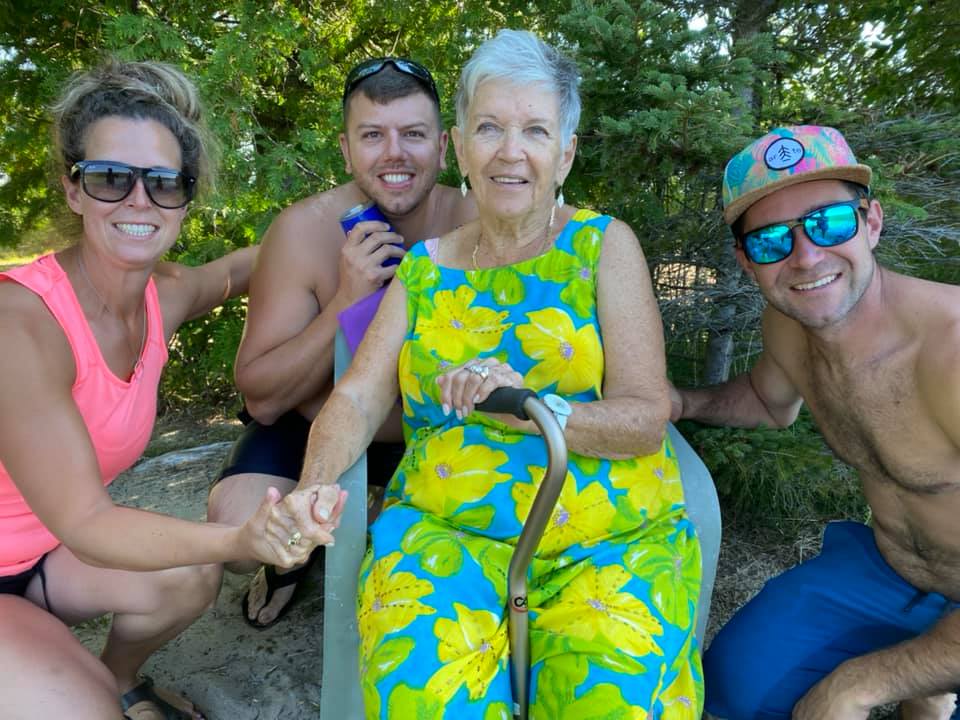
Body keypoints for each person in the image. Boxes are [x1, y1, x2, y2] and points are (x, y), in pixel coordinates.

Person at [280, 29, 703, 719]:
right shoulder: (423, 268)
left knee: (614, 702)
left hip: (606, 541)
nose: (511, 151)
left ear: (564, 153)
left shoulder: (603, 246)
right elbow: (357, 398)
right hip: (443, 535)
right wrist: (311, 489)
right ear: (461, 146)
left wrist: (531, 407)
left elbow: (645, 417)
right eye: (490, 128)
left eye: (535, 130)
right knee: (427, 694)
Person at [0, 59, 342, 720]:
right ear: (74, 190)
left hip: (45, 557)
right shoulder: (22, 327)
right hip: (60, 544)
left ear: (187, 196)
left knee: (187, 578)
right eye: (109, 179)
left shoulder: (163, 294)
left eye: (163, 184)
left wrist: (342, 232)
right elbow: (91, 524)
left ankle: (121, 677)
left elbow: (246, 267)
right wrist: (243, 540)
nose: (138, 202)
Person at [672, 125, 960, 720]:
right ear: (746, 261)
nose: (805, 257)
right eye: (772, 240)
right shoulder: (791, 326)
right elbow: (767, 400)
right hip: (891, 570)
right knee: (728, 691)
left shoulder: (950, 353)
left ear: (872, 222)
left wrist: (860, 683)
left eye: (829, 222)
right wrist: (678, 403)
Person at [206, 56, 477, 629]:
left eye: (413, 134)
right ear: (346, 149)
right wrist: (345, 302)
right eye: (373, 136)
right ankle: (288, 563)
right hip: (313, 427)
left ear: (446, 146)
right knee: (235, 533)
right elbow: (261, 398)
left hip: (435, 431)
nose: (394, 153)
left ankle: (372, 518)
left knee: (411, 553)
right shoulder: (302, 230)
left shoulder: (476, 223)